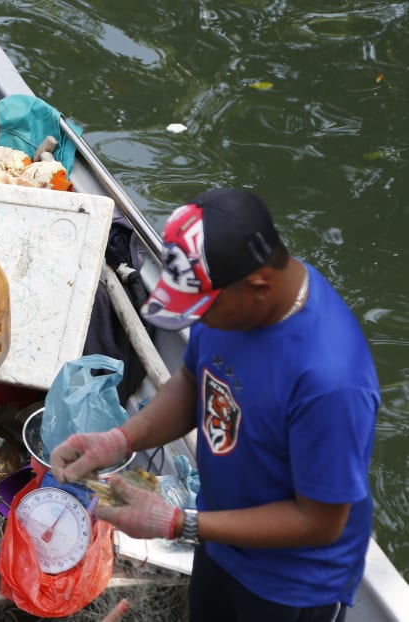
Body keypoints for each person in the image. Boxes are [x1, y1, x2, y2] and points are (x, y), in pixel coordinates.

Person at [50, 189, 379, 621]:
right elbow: (194, 381)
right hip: (218, 539)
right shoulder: (235, 302)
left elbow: (320, 522)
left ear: (258, 287)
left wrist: (178, 524)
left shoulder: (331, 381)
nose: (197, 322)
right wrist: (119, 439)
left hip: (291, 582)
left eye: (202, 310)